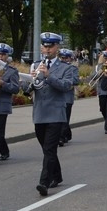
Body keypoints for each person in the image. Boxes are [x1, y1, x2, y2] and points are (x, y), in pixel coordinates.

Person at [27, 32, 75, 196]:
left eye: (51, 46)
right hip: (40, 112)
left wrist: (48, 76)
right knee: (47, 149)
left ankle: (44, 182)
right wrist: (29, 83)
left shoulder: (65, 67)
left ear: (57, 48)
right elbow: (30, 89)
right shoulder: (35, 65)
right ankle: (57, 175)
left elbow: (66, 86)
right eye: (45, 46)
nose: (47, 49)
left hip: (55, 113)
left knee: (49, 148)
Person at [58, 48, 80, 146]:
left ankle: (61, 138)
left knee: (65, 118)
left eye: (66, 58)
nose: (64, 59)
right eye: (62, 57)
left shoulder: (73, 68)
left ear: (70, 58)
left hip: (67, 96)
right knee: (59, 118)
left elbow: (76, 80)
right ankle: (67, 134)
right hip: (58, 96)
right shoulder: (57, 67)